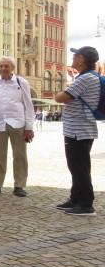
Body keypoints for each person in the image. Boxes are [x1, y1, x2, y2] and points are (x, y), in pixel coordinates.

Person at [55, 46, 100, 216]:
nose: (72, 58)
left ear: (81, 60)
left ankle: (86, 204)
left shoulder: (85, 78)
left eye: (75, 56)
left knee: (79, 167)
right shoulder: (88, 77)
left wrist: (64, 90)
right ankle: (75, 198)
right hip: (80, 128)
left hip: (79, 129)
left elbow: (61, 98)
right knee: (76, 166)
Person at [0, 57, 35, 197]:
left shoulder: (21, 82)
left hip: (18, 123)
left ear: (13, 67)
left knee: (19, 155)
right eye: (1, 66)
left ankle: (19, 185)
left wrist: (29, 127)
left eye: (6, 66)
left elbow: (28, 105)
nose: (3, 69)